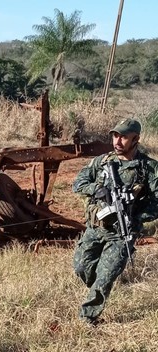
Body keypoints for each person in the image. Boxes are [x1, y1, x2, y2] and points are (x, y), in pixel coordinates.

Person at [72, 118, 158, 325]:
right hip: (96, 227)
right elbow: (78, 183)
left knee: (105, 277)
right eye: (115, 136)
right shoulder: (102, 161)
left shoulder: (149, 168)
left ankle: (87, 318)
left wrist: (135, 217)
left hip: (122, 233)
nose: (118, 142)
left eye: (124, 137)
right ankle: (98, 284)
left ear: (136, 139)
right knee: (81, 268)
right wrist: (98, 190)